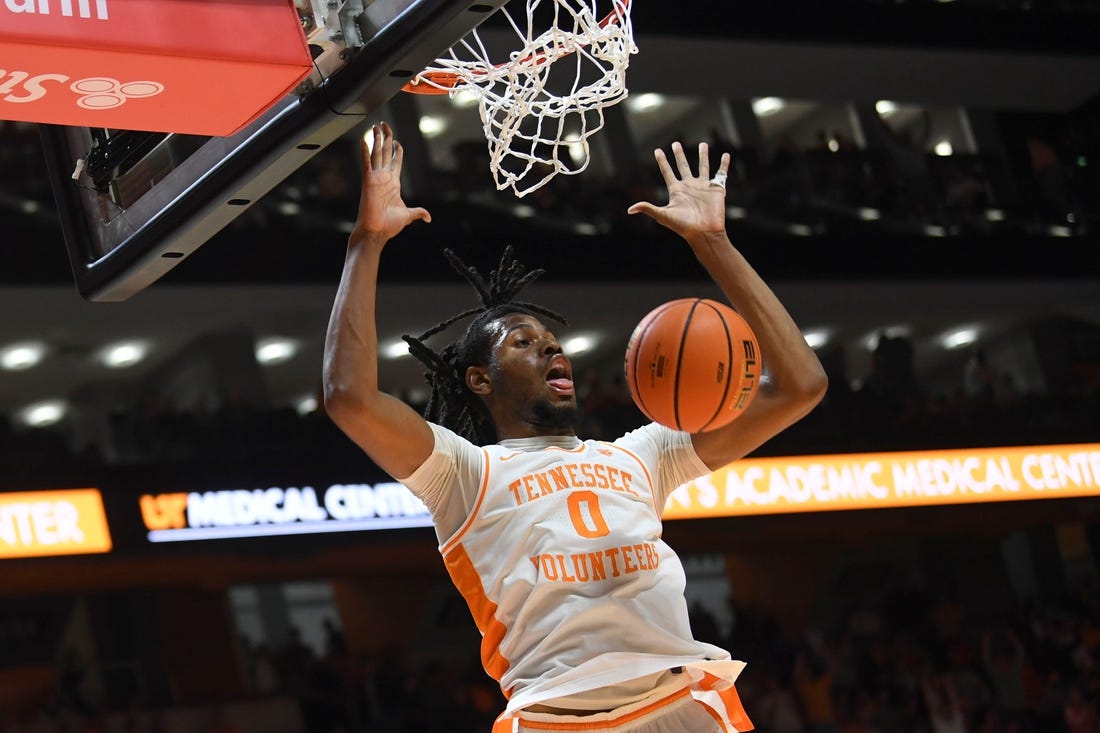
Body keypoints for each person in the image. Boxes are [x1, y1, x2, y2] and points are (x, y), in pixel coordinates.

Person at [323, 122, 828, 733]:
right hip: (558, 719)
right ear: (480, 380)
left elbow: (800, 387)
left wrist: (714, 244)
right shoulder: (464, 473)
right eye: (524, 342)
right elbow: (349, 397)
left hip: (683, 706)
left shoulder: (646, 455)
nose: (552, 351)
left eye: (554, 342)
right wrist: (367, 241)